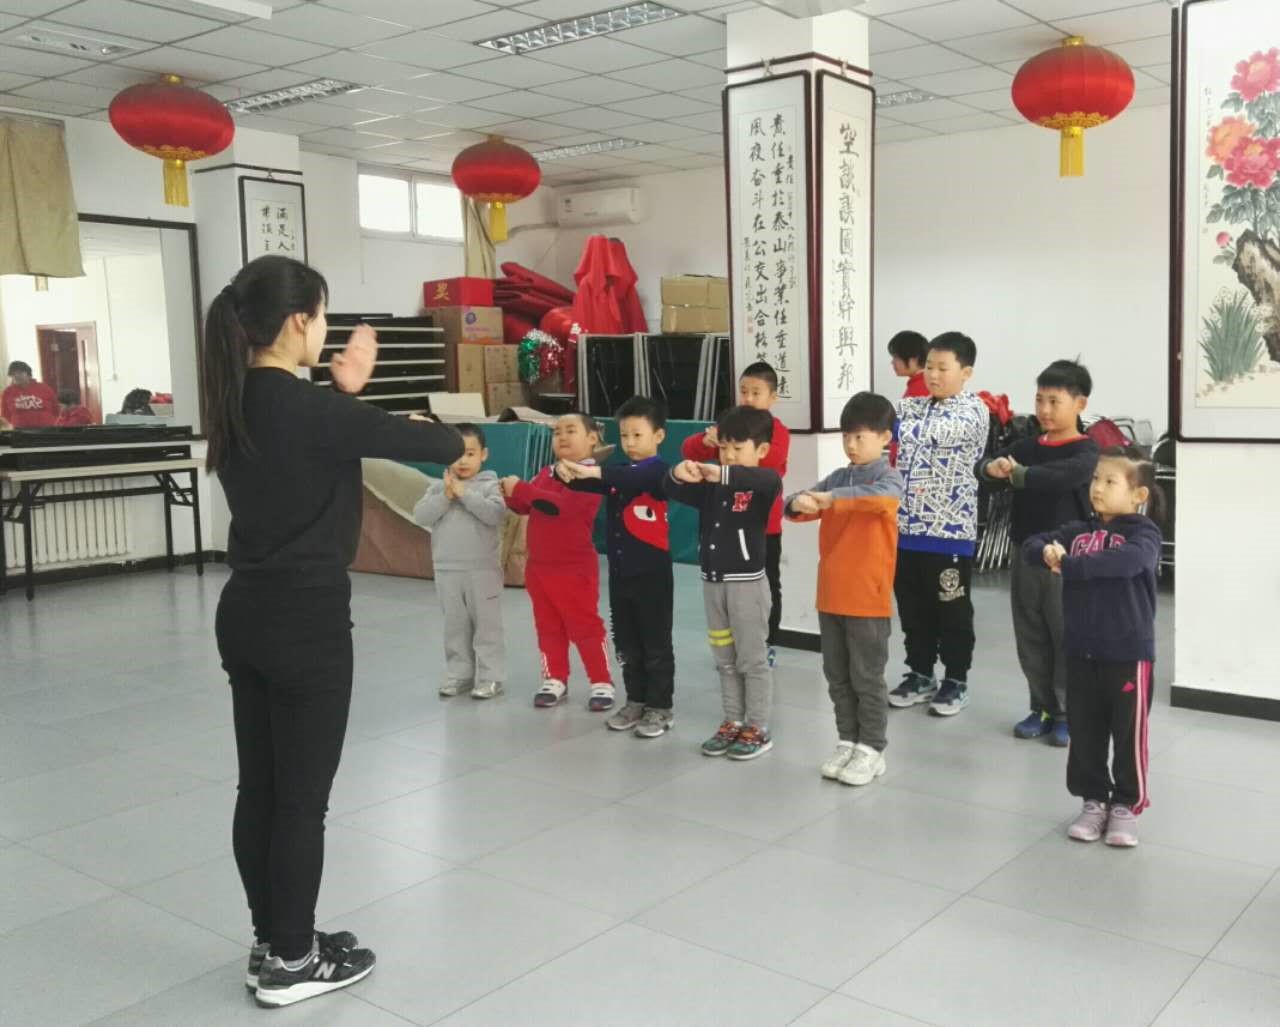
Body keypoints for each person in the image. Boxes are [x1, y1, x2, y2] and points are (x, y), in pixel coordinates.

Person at [205, 255, 463, 1008]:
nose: (324, 329)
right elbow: (445, 446)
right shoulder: (315, 409)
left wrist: (341, 398)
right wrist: (353, 394)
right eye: (322, 315)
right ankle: (293, 960)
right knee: (301, 801)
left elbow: (306, 442)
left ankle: (273, 939)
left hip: (245, 612)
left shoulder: (233, 398)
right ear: (299, 321)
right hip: (307, 621)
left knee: (261, 787)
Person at [1023, 446, 1163, 848]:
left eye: (1110, 481)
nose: (1097, 488)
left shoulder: (1144, 534)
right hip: (1081, 651)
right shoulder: (1078, 531)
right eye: (1095, 479)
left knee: (1128, 733)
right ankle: (1093, 800)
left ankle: (1126, 805)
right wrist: (1047, 551)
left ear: (1138, 494)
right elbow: (1033, 545)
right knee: (1085, 732)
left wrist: (1068, 564)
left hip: (1128, 655)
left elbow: (1124, 563)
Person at [980, 360, 1099, 746]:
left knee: (1064, 633)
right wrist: (993, 467)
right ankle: (1042, 706)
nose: (1044, 410)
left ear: (1080, 404)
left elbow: (1061, 477)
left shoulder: (1086, 450)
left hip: (1065, 558)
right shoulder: (1028, 446)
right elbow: (987, 468)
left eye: (1054, 401)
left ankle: (1068, 712)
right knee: (1030, 633)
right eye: (1039, 400)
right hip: (1026, 551)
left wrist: (1019, 475)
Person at [785, 392, 902, 786]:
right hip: (831, 594)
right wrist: (797, 502)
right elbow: (801, 505)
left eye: (860, 437)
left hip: (867, 597)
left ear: (884, 438)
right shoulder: (838, 477)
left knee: (867, 677)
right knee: (837, 674)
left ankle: (872, 748)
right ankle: (847, 740)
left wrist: (830, 499)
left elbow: (880, 501)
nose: (851, 445)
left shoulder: (888, 479)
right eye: (847, 436)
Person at [667, 405, 781, 760]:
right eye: (723, 447)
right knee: (724, 659)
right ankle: (733, 720)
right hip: (713, 585)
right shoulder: (713, 487)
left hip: (746, 586)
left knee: (752, 660)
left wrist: (722, 473)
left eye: (737, 448)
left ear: (761, 450)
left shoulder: (763, 483)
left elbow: (766, 481)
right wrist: (677, 473)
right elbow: (671, 488)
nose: (728, 455)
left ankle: (757, 726)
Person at [558, 395, 675, 737]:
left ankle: (660, 707)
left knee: (655, 645)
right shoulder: (618, 472)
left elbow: (628, 479)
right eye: (624, 436)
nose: (630, 443)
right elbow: (592, 481)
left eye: (638, 435)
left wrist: (591, 470)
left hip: (652, 574)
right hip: (621, 573)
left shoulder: (658, 471)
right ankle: (635, 700)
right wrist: (567, 472)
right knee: (626, 643)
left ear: (659, 436)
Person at [889, 331, 989, 716]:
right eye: (929, 366)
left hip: (949, 533)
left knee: (952, 611)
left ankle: (956, 679)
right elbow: (890, 420)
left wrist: (884, 427)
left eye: (942, 368)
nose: (932, 375)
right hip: (906, 531)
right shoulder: (913, 405)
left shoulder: (973, 410)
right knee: (913, 610)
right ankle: (920, 673)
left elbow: (938, 433)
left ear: (966, 372)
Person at [502, 412, 615, 711]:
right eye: (556, 432)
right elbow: (526, 506)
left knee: (584, 626)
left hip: (574, 568)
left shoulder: (589, 476)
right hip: (539, 568)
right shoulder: (546, 472)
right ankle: (554, 678)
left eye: (570, 430)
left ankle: (601, 681)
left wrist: (522, 489)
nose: (562, 436)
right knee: (548, 625)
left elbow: (561, 508)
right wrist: (510, 493)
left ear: (592, 438)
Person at [682, 361, 790, 665]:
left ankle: (767, 643)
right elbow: (688, 450)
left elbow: (769, 465)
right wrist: (706, 440)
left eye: (756, 392)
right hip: (726, 523)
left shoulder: (777, 431)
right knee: (727, 589)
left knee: (767, 586)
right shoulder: (728, 426)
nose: (749, 398)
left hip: (762, 527)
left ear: (772, 397)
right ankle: (732, 644)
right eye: (744, 391)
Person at [413, 423, 507, 700]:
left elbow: (495, 515)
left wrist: (465, 494)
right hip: (446, 570)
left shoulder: (491, 486)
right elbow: (421, 516)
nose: (462, 461)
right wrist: (446, 495)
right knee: (455, 627)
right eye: (456, 454)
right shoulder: (437, 487)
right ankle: (459, 674)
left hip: (482, 571)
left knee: (487, 627)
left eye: (470, 454)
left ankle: (491, 676)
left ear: (483, 454)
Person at [1, 361, 58, 427]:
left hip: (47, 429)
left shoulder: (44, 388)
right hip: (20, 430)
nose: (16, 376)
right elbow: (5, 414)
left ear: (28, 374)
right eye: (13, 374)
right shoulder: (8, 392)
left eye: (20, 373)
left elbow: (56, 409)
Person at [888, 331, 930, 399]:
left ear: (914, 359)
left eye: (896, 357)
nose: (892, 362)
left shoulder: (919, 389)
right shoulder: (926, 382)